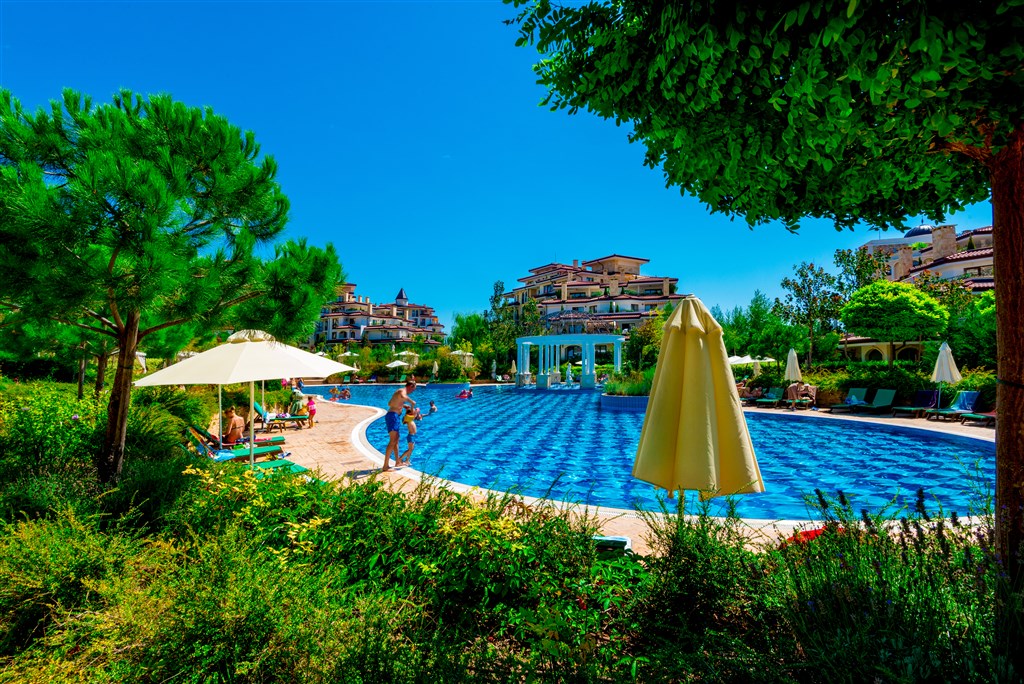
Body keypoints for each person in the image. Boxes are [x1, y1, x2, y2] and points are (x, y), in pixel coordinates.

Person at [383, 380, 416, 471]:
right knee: (393, 441)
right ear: (411, 386)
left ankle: (397, 461)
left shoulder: (398, 392)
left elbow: (390, 403)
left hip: (395, 416)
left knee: (396, 440)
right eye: (413, 389)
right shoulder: (402, 391)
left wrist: (402, 405)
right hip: (392, 416)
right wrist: (411, 402)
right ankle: (385, 466)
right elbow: (403, 396)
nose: (413, 391)